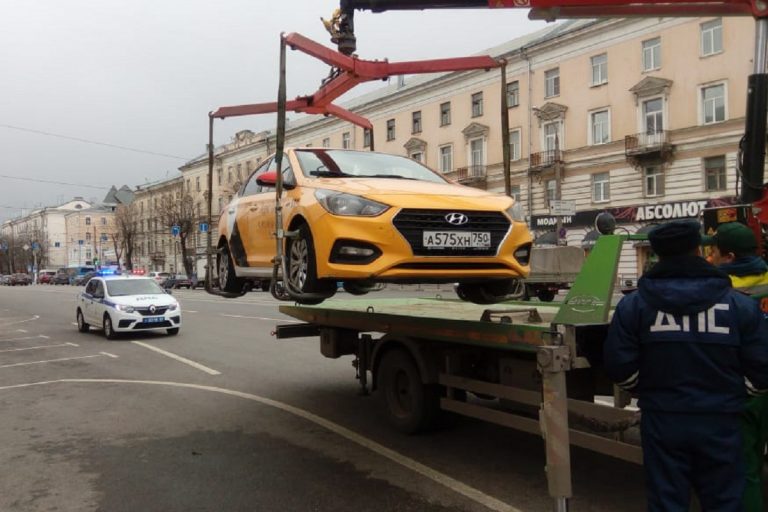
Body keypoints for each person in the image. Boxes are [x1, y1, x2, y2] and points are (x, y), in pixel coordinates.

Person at [603, 219, 768, 512]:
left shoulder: (635, 306)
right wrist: (735, 395)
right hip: (721, 419)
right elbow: (762, 369)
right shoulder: (739, 306)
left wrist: (650, 392)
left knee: (667, 502)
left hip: (663, 419)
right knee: (725, 501)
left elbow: (619, 365)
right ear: (697, 249)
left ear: (656, 254)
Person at [707, 221, 768, 512]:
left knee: (744, 470)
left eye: (714, 251)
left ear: (729, 257)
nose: (711, 258)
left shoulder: (718, 288)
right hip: (763, 384)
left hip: (744, 388)